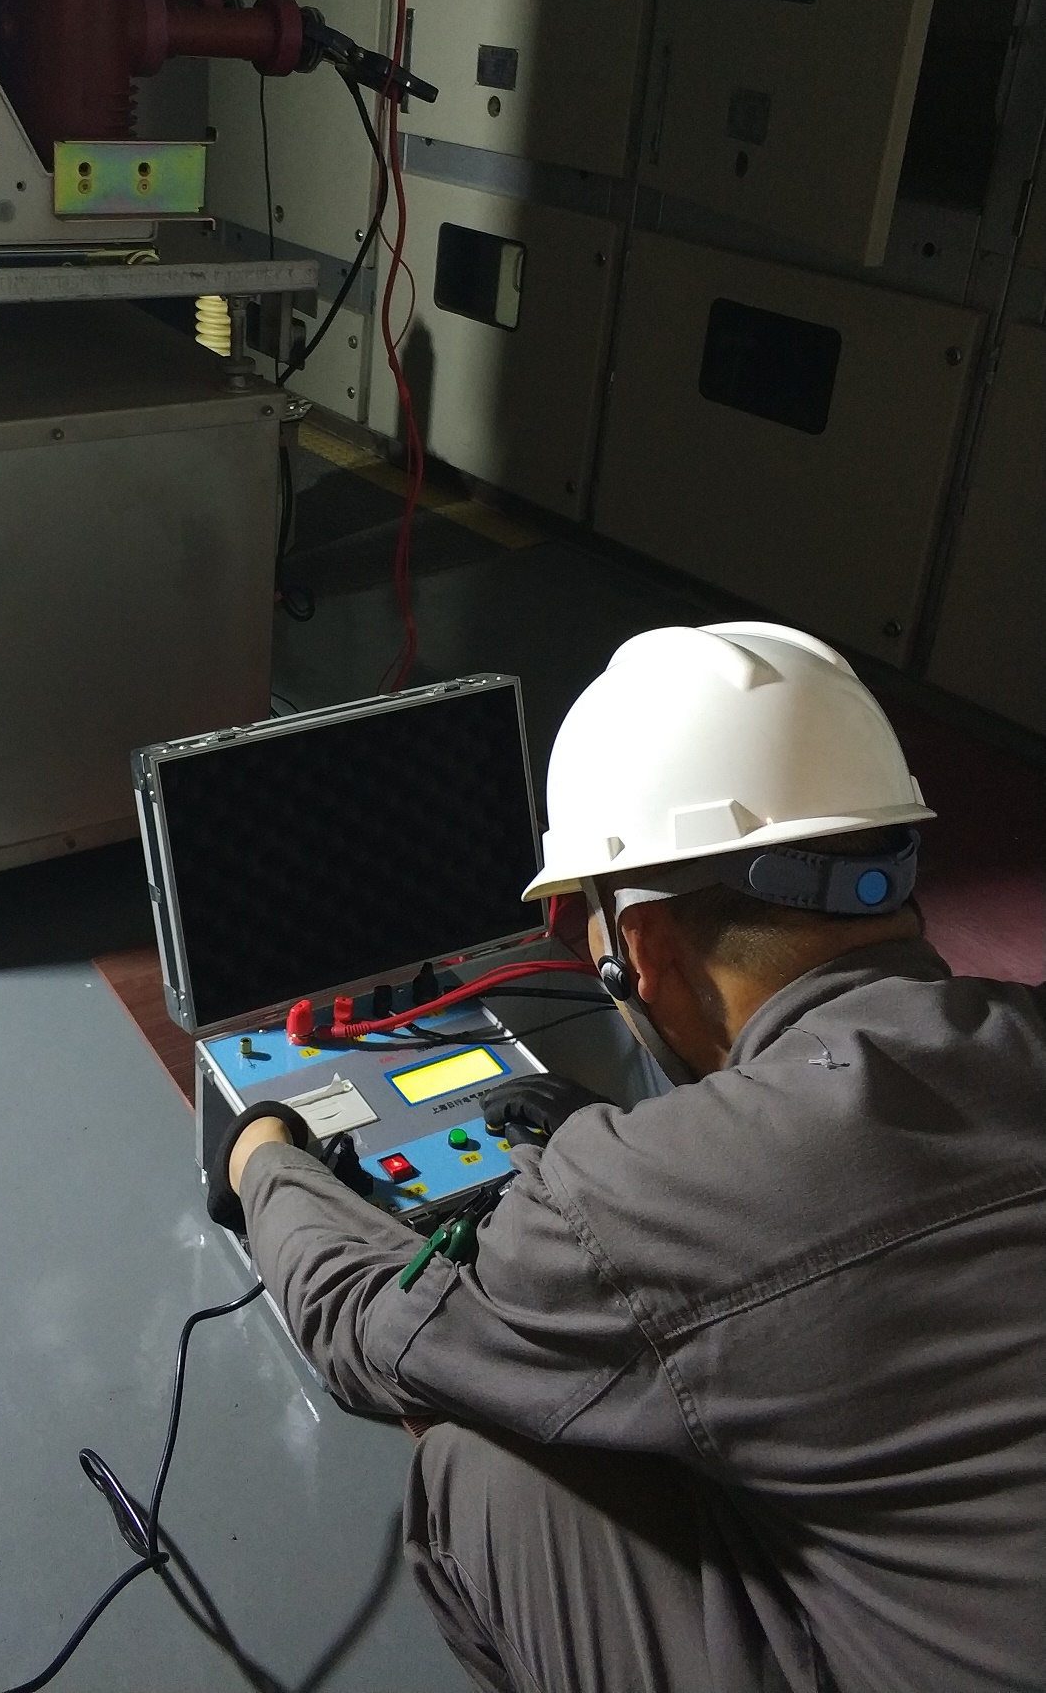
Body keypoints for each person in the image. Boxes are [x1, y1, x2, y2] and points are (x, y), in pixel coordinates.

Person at [210, 623, 1046, 1693]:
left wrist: (263, 1157)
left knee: (481, 1459)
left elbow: (365, 1332)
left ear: (638, 947)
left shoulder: (629, 1197)